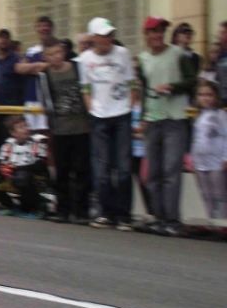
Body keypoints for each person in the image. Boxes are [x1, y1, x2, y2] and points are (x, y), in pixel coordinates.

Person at [137, 16, 196, 236]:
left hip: (175, 118)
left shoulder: (178, 54)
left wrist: (172, 87)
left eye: (161, 31)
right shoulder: (143, 59)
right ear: (146, 35)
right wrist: (143, 117)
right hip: (153, 118)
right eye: (153, 32)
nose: (158, 35)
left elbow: (192, 81)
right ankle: (158, 217)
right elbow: (145, 90)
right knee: (153, 172)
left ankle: (172, 220)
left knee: (171, 170)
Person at [77, 17, 136, 230]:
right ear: (94, 37)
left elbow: (132, 82)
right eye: (104, 35)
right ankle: (105, 212)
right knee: (101, 167)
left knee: (123, 168)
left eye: (110, 34)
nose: (108, 39)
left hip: (121, 115)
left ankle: (124, 215)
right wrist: (91, 108)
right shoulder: (85, 59)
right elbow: (85, 87)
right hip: (99, 116)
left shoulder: (123, 53)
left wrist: (130, 106)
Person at [39, 40, 90, 223]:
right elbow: (46, 100)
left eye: (58, 53)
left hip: (81, 127)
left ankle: (82, 211)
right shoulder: (45, 76)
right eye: (50, 55)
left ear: (63, 52)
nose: (55, 57)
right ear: (46, 57)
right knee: (62, 170)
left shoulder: (77, 68)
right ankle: (63, 209)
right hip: (60, 129)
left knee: (82, 170)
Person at [0, 116, 49, 215]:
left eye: (26, 126)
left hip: (32, 177)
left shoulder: (37, 143)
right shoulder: (7, 145)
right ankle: (10, 206)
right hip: (11, 176)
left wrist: (18, 169)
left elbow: (40, 166)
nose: (26, 129)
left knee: (21, 177)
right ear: (13, 133)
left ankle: (30, 207)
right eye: (21, 127)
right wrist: (2, 169)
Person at [191, 81, 227, 219]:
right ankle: (211, 220)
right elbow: (195, 138)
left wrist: (225, 157)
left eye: (209, 95)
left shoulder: (221, 115)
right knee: (206, 194)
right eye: (201, 95)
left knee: (220, 194)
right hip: (200, 161)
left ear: (215, 96)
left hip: (216, 161)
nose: (205, 98)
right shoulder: (197, 116)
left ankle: (222, 222)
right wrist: (192, 159)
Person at [0, 26, 25, 169]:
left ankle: (10, 170)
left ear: (9, 41)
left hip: (12, 108)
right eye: (1, 37)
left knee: (9, 141)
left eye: (6, 38)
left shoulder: (16, 58)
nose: (3, 41)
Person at [16, 16, 58, 132]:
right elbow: (19, 68)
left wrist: (32, 67)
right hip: (31, 98)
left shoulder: (57, 47)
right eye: (40, 26)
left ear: (51, 28)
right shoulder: (32, 50)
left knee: (46, 134)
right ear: (36, 29)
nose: (43, 29)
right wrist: (38, 66)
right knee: (30, 133)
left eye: (46, 26)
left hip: (49, 100)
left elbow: (54, 66)